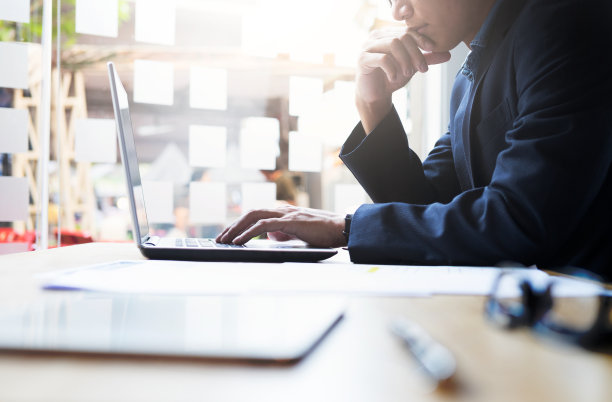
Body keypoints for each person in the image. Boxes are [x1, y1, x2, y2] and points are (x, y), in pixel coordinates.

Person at [217, 0, 612, 281]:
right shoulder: (472, 75)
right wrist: (373, 104)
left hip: (588, 322)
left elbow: (520, 221)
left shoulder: (564, 22)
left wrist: (346, 227)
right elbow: (426, 207)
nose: (397, 11)